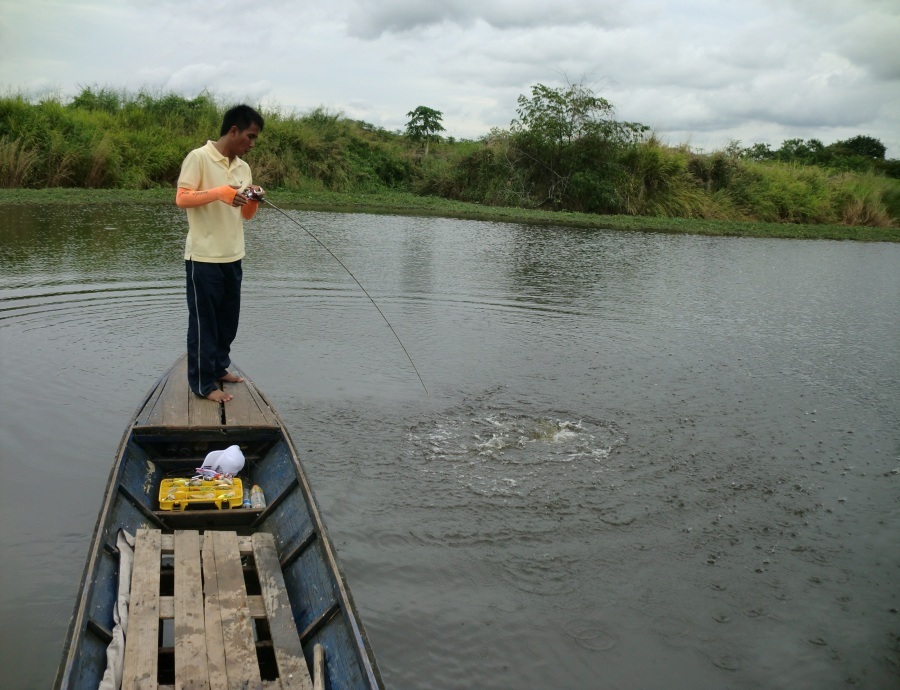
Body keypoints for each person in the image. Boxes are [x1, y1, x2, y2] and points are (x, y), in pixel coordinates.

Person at [175, 104, 265, 403]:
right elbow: (182, 198)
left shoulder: (242, 167)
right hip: (203, 258)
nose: (252, 144)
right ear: (234, 130)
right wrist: (221, 192)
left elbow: (246, 216)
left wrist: (252, 198)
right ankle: (202, 384)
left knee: (228, 321)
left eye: (255, 139)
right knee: (204, 324)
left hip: (233, 256)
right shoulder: (198, 158)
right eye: (250, 137)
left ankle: (218, 366)